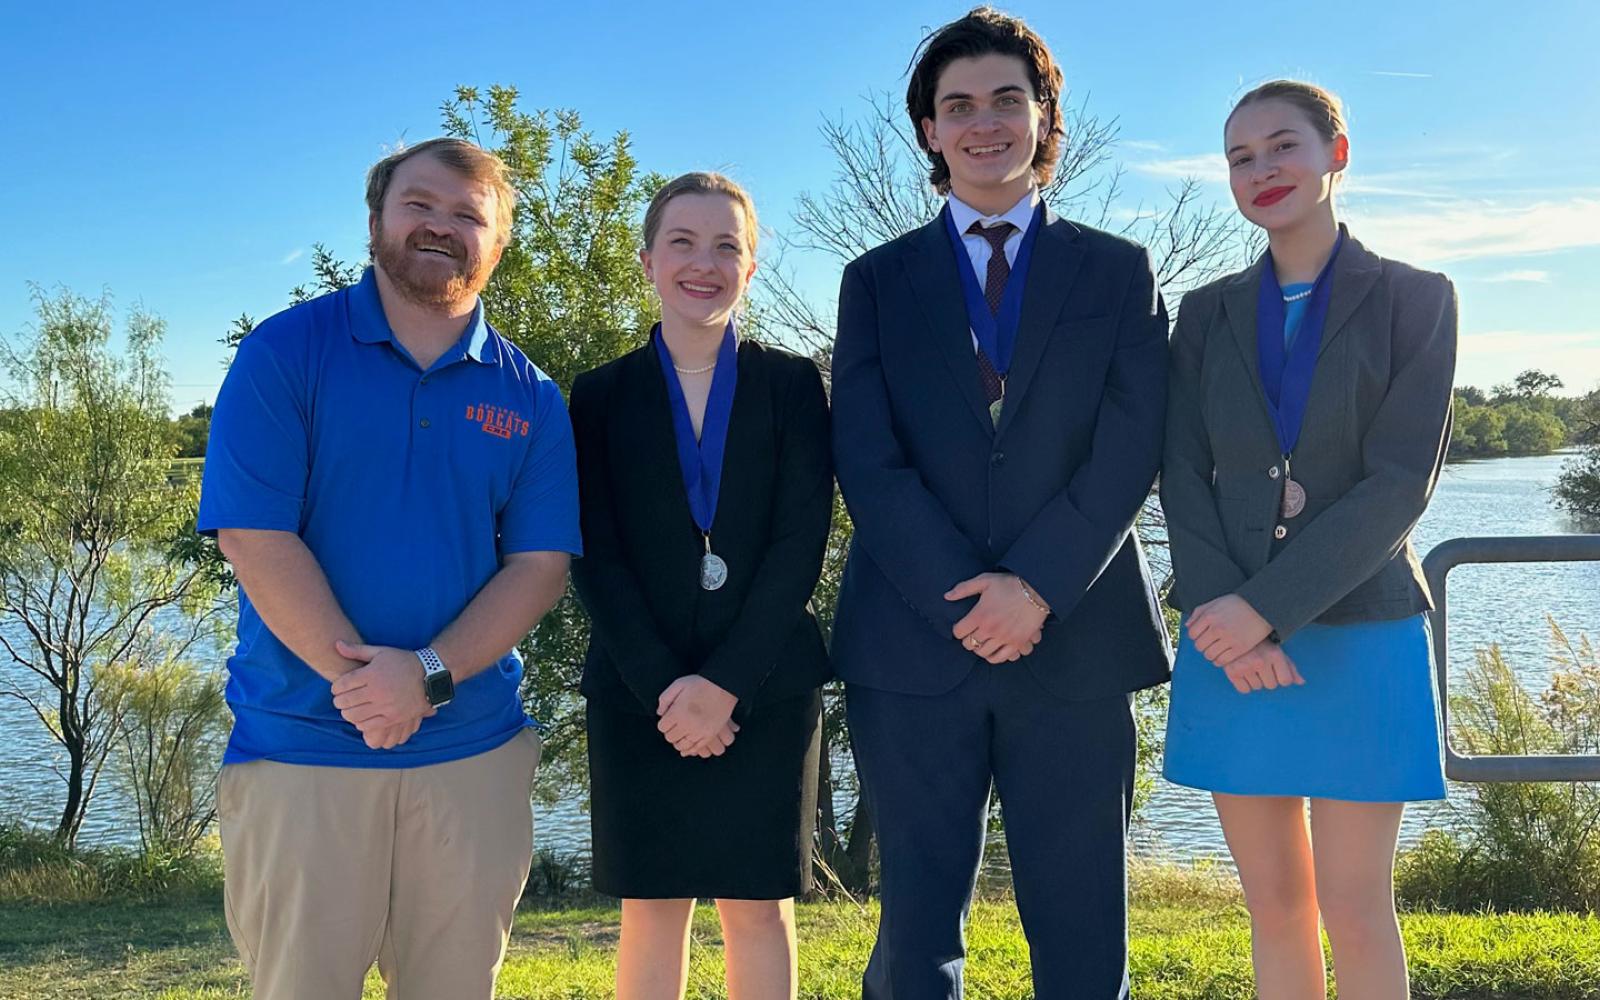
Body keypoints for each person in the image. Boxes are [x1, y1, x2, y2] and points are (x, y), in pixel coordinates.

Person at [829, 8, 1171, 997]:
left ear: (1045, 116)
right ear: (929, 130)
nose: (984, 122)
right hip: (911, 645)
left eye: (1006, 100)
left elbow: (1130, 445)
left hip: (1075, 637)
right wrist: (966, 598)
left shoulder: (1117, 271)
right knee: (914, 934)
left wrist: (1036, 587)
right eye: (959, 105)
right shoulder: (874, 281)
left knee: (1082, 927)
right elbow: (867, 457)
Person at [198, 137, 579, 1000]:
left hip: (471, 757)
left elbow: (540, 567)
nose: (440, 226)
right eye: (419, 205)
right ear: (375, 220)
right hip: (301, 753)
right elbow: (254, 537)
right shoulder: (285, 353)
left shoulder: (530, 395)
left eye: (467, 215)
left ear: (498, 242)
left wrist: (427, 676)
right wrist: (368, 689)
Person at [1161, 79, 1455, 999]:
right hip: (1226, 634)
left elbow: (1401, 483)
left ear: (1338, 153)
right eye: (1240, 157)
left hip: (1362, 627)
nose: (1262, 169)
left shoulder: (1418, 298)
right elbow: (1180, 472)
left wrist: (1265, 611)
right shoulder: (1204, 312)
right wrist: (1226, 613)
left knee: (1355, 908)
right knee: (1275, 908)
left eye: (1283, 145)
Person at [568, 171, 832, 1000]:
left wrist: (724, 687)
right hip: (637, 691)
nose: (703, 264)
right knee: (651, 911)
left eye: (726, 246)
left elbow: (800, 545)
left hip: (766, 684)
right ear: (648, 260)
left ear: (751, 266)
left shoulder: (794, 386)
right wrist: (667, 689)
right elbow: (594, 555)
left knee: (759, 909)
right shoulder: (599, 396)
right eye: (682, 242)